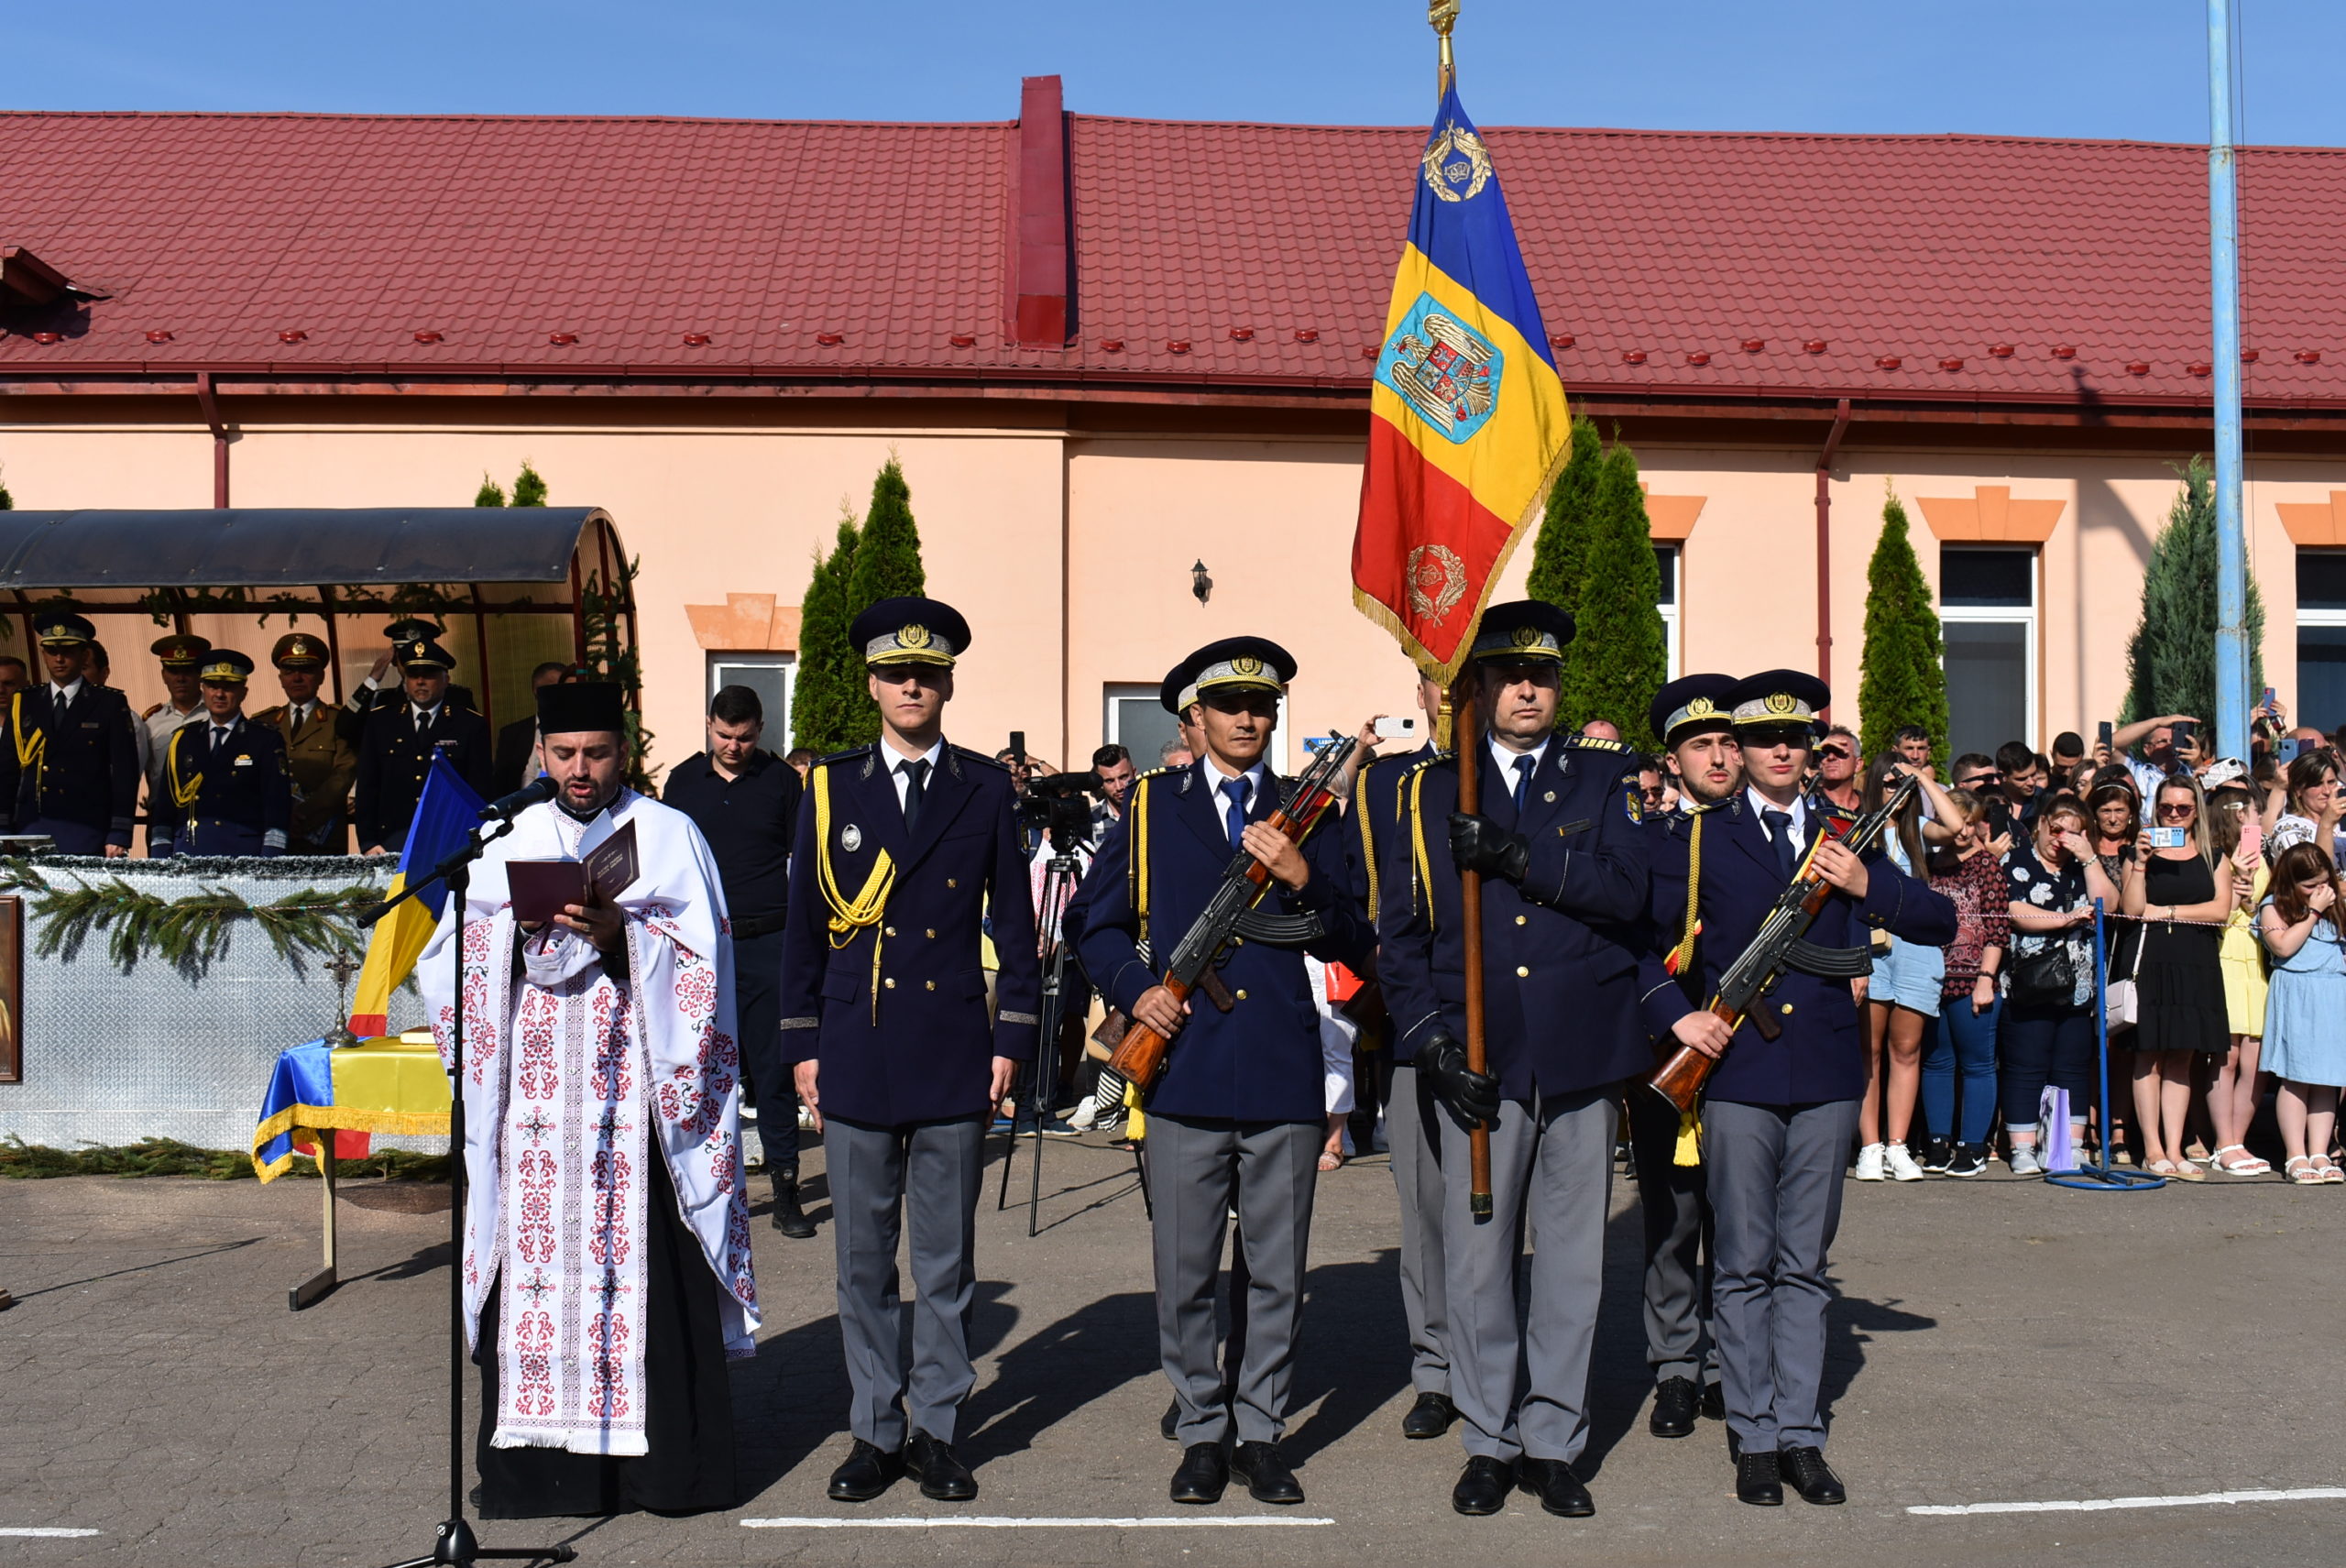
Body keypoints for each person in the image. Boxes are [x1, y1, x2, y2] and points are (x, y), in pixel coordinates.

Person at [416, 679, 759, 1519]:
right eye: (564, 753)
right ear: (540, 747)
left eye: (597, 753)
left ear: (624, 751)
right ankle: (546, 1480)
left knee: (646, 1269)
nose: (580, 770)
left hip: (637, 1102)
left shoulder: (670, 833)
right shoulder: (504, 834)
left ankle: (666, 1474)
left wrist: (626, 937)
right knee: (534, 1271)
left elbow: (709, 966)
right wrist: (513, 936)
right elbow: (442, 960)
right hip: (535, 1103)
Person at [1638, 670, 1955, 1508]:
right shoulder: (1697, 839)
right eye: (1763, 739)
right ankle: (1752, 1433)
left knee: (1804, 1264)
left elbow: (1937, 919)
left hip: (1822, 1075)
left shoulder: (1845, 835)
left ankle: (1801, 1432)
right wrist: (1678, 1017)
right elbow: (1636, 942)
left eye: (1796, 739)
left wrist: (1865, 885)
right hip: (1736, 1073)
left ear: (1811, 752)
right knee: (1741, 1263)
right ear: (1737, 750)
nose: (1781, 751)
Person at [1070, 635, 1370, 1509]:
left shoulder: (1309, 810)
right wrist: (1137, 990)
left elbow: (1356, 936)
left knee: (1277, 1268)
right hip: (1186, 1070)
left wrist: (1303, 873)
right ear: (1193, 718)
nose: (1248, 717)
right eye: (1230, 704)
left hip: (1279, 1067)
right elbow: (1096, 923)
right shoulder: (1154, 807)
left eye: (1262, 704)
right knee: (1188, 1265)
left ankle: (1262, 1430)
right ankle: (1202, 1427)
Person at [1376, 603, 1650, 1521]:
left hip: (1576, 1053)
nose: (1528, 690)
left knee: (1572, 1262)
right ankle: (1488, 1439)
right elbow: (1400, 938)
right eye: (1509, 676)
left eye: (1543, 677)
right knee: (1478, 1259)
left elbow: (1626, 892)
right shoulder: (1425, 792)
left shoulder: (1602, 777)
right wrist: (1432, 1044)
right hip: (1478, 1058)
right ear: (1479, 689)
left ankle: (1553, 1440)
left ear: (1558, 688)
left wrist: (1519, 857)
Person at [779, 597, 1040, 1507]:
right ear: (871, 682)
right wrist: (802, 1042)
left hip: (951, 1048)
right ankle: (872, 1428)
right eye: (896, 672)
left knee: (942, 1262)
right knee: (860, 1260)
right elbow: (804, 932)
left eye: (926, 673)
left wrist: (1012, 1035)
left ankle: (935, 1428)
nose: (911, 685)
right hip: (856, 1046)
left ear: (949, 684)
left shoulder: (982, 787)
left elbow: (1015, 921)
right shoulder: (829, 788)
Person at [1632, 674, 1744, 1440]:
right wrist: (1676, 1018)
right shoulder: (1653, 844)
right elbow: (1631, 944)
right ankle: (1676, 1366)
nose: (1719, 756)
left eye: (1728, 742)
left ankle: (1735, 1367)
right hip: (1671, 1057)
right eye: (1700, 743)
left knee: (1741, 1222)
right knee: (1672, 1220)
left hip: (1750, 1055)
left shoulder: (1774, 840)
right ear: (1672, 760)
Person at [1345, 668, 1454, 1442]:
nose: (1450, 692)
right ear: (1421, 691)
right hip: (1422, 1020)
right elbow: (1354, 894)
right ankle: (1438, 1369)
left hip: (1515, 1025)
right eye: (1437, 679)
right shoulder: (1386, 786)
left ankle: (1499, 1363)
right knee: (1427, 1214)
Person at [663, 684, 810, 1235]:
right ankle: (698, 1192)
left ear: (761, 729)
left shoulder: (781, 783)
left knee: (772, 1071)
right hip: (698, 947)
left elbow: (808, 863)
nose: (734, 747)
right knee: (696, 1068)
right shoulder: (681, 783)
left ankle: (787, 1190)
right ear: (708, 725)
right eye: (724, 736)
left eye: (745, 738)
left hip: (767, 943)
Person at [2120, 773, 2242, 1179]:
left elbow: (2219, 911)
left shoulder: (2214, 855)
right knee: (2148, 1054)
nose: (2174, 815)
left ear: (2197, 812)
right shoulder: (2136, 852)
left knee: (2182, 1058)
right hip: (2150, 961)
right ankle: (2153, 1149)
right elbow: (2133, 909)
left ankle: (2175, 1147)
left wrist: (2168, 912)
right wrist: (2139, 862)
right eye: (2166, 808)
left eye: (2183, 808)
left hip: (2194, 962)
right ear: (2155, 809)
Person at [1854, 751, 1967, 1182]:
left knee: (1908, 1050)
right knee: (1871, 1050)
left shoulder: (1917, 830)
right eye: (1889, 784)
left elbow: (1956, 827)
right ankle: (1869, 1146)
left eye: (1903, 786)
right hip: (1874, 946)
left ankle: (1898, 1146)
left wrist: (1921, 778)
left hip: (1917, 947)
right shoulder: (1860, 829)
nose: (1896, 793)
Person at [1999, 795, 2115, 1174]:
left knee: (2072, 1065)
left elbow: (2108, 905)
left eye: (2073, 832)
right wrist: (2066, 919)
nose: (2061, 838)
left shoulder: (2082, 867)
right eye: (2056, 829)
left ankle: (2068, 1146)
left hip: (2079, 986)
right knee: (2026, 1065)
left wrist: (2089, 858)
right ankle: (2022, 1147)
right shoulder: (2015, 862)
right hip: (2030, 982)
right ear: (2043, 822)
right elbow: (2014, 912)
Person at [0, 613, 139, 856]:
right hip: (32, 825)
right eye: (52, 651)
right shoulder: (25, 701)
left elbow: (124, 771)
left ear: (84, 654)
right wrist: (2, 825)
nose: (59, 658)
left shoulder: (108, 702)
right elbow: (7, 768)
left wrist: (119, 831)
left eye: (68, 651)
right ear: (43, 654)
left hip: (86, 825)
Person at [1921, 787, 2007, 1177]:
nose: (1962, 832)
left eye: (1970, 824)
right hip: (1931, 978)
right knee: (1937, 1062)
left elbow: (1997, 929)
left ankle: (1972, 1147)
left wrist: (1986, 978)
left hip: (1973, 979)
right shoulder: (1927, 865)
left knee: (1977, 1064)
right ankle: (1938, 1143)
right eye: (1955, 823)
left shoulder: (1987, 865)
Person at [353, 637, 494, 854]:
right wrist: (368, 842)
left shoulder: (469, 724)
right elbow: (367, 786)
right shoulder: (381, 722)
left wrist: (473, 838)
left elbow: (479, 789)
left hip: (449, 838)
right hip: (392, 839)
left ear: (446, 679)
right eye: (413, 675)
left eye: (428, 675)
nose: (420, 681)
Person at [2259, 842, 2346, 1185]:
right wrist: (2312, 912)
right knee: (2295, 1077)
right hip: (2297, 991)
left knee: (2328, 1077)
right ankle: (2296, 1154)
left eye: (2324, 882)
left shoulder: (2334, 905)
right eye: (2309, 885)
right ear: (2290, 883)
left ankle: (2320, 1151)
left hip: (2332, 991)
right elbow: (2282, 946)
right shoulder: (2273, 907)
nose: (2319, 891)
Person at [148, 650, 291, 857]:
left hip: (243, 855)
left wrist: (271, 858)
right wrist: (160, 854)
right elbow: (165, 807)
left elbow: (277, 806)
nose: (219, 694)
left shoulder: (264, 740)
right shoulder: (184, 738)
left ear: (244, 692)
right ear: (203, 688)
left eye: (229, 687)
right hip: (189, 853)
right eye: (213, 686)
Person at [2201, 766, 2272, 1176]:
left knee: (2256, 1058)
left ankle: (2239, 1142)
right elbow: (2216, 914)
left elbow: (2260, 908)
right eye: (2248, 807)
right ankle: (2223, 1143)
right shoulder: (2215, 854)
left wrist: (2248, 899)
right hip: (2225, 954)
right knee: (2225, 1058)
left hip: (2255, 957)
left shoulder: (2260, 851)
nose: (2256, 814)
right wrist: (2236, 894)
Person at [251, 632, 359, 855]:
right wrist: (280, 818)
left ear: (321, 676)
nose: (297, 678)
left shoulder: (339, 720)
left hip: (323, 840)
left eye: (307, 669)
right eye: (289, 670)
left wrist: (303, 816)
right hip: (272, 840)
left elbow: (344, 774)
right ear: (280, 677)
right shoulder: (263, 723)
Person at [138, 633, 210, 850]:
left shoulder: (216, 716)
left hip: (209, 816)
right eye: (173, 671)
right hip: (162, 820)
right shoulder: (151, 722)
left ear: (200, 674)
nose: (180, 678)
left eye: (188, 670)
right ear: (163, 675)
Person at [492, 661, 569, 798]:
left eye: (564, 688)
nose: (559, 694)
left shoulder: (577, 734)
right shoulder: (511, 734)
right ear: (536, 690)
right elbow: (501, 784)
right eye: (553, 688)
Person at [2111, 713, 2197, 819]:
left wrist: (2199, 763)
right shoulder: (2136, 772)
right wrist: (2157, 722)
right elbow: (2114, 741)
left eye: (2173, 742)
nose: (2168, 746)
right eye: (2162, 741)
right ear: (2147, 749)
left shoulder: (2192, 773)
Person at [2266, 749, 2342, 862]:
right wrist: (2326, 825)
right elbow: (2314, 874)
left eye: (2331, 782)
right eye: (2317, 784)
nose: (2327, 791)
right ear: (2298, 790)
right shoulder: (2289, 830)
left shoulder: (2342, 823)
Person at [1814, 726, 1860, 813]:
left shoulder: (1871, 805)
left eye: (1840, 752)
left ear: (1858, 765)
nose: (1831, 757)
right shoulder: (1810, 802)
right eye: (1825, 752)